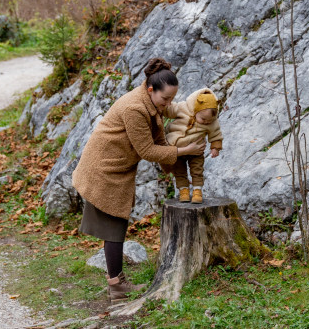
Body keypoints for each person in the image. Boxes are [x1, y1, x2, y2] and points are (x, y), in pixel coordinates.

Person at [71, 58, 205, 303]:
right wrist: (183, 152)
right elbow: (147, 150)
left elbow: (159, 139)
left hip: (116, 167)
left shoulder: (149, 103)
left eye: (172, 99)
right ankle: (117, 288)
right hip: (104, 169)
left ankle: (116, 284)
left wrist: (175, 168)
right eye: (165, 99)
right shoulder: (134, 108)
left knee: (115, 226)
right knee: (113, 228)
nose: (168, 105)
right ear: (151, 89)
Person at [163, 88, 223, 204]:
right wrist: (163, 107)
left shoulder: (212, 122)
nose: (206, 122)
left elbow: (216, 134)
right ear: (196, 110)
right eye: (203, 119)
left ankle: (197, 191)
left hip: (196, 152)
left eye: (209, 121)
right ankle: (183, 191)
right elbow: (170, 109)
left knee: (197, 171)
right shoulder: (183, 108)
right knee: (179, 172)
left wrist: (215, 147)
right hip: (177, 149)